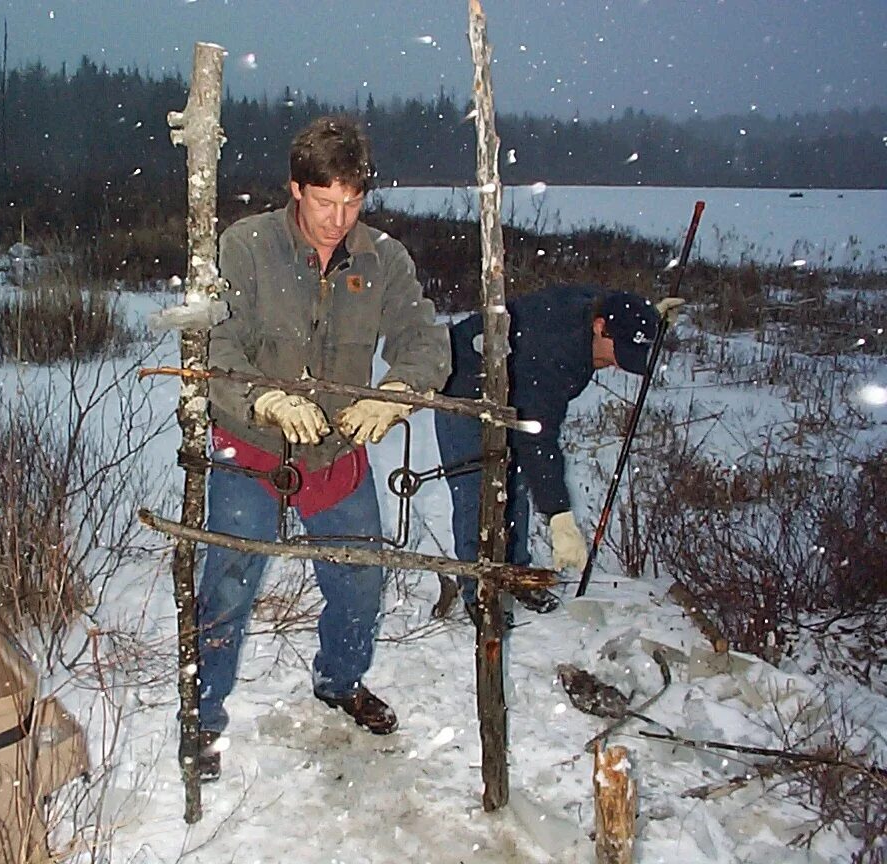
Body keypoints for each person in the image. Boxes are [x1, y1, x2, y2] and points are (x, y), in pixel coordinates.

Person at [196, 115, 451, 781]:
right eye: (324, 201)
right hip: (250, 447)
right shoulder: (245, 246)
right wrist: (260, 397)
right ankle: (203, 717)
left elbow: (424, 339)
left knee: (360, 583)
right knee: (227, 587)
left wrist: (397, 389)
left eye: (352, 202)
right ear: (295, 188)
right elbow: (213, 342)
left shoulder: (383, 259)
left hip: (335, 450)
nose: (338, 218)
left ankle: (339, 681)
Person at [436, 285, 683, 622]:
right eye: (618, 351)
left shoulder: (591, 313)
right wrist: (559, 515)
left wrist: (648, 318)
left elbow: (614, 304)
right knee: (476, 494)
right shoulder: (554, 349)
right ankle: (480, 589)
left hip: (511, 387)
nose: (616, 364)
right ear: (598, 327)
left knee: (514, 484)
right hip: (463, 386)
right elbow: (538, 437)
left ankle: (515, 574)